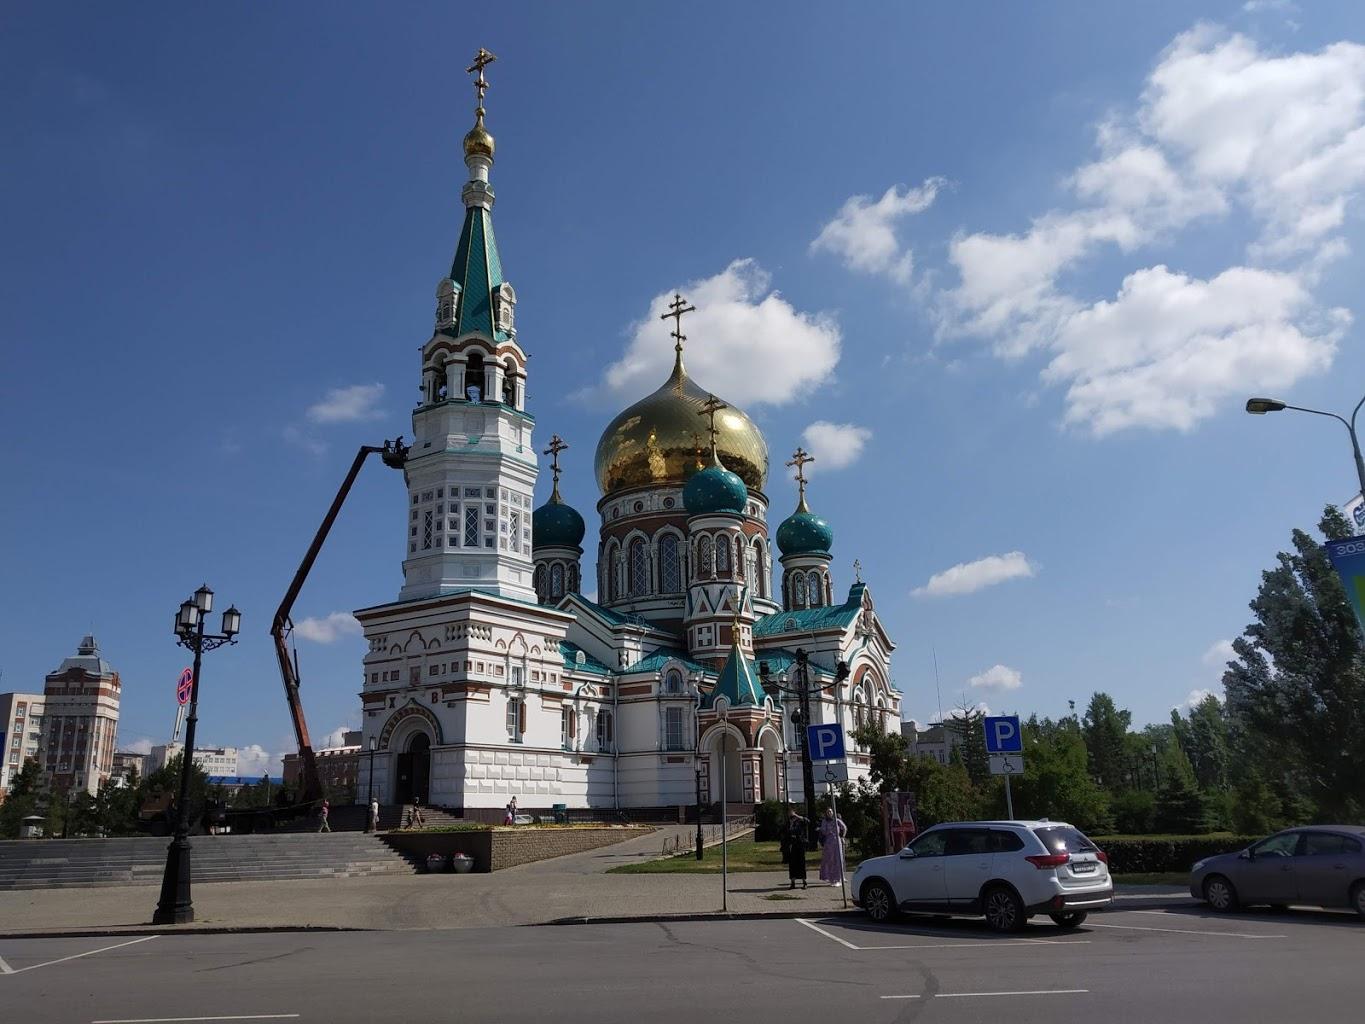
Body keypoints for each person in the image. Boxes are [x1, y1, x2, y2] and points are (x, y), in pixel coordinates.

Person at [818, 808, 846, 885]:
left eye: (830, 811)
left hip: (837, 841)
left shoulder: (837, 820)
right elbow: (823, 831)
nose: (829, 813)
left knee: (838, 859)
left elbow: (844, 827)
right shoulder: (824, 821)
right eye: (828, 812)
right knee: (830, 860)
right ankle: (831, 878)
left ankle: (838, 878)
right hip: (828, 842)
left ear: (833, 812)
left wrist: (842, 836)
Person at [783, 810, 808, 890]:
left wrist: (796, 816)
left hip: (800, 844)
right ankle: (792, 882)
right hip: (792, 845)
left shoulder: (800, 822)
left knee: (801, 863)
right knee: (792, 864)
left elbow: (807, 821)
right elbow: (785, 833)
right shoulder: (788, 823)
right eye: (790, 815)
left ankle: (804, 882)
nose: (792, 817)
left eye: (793, 815)